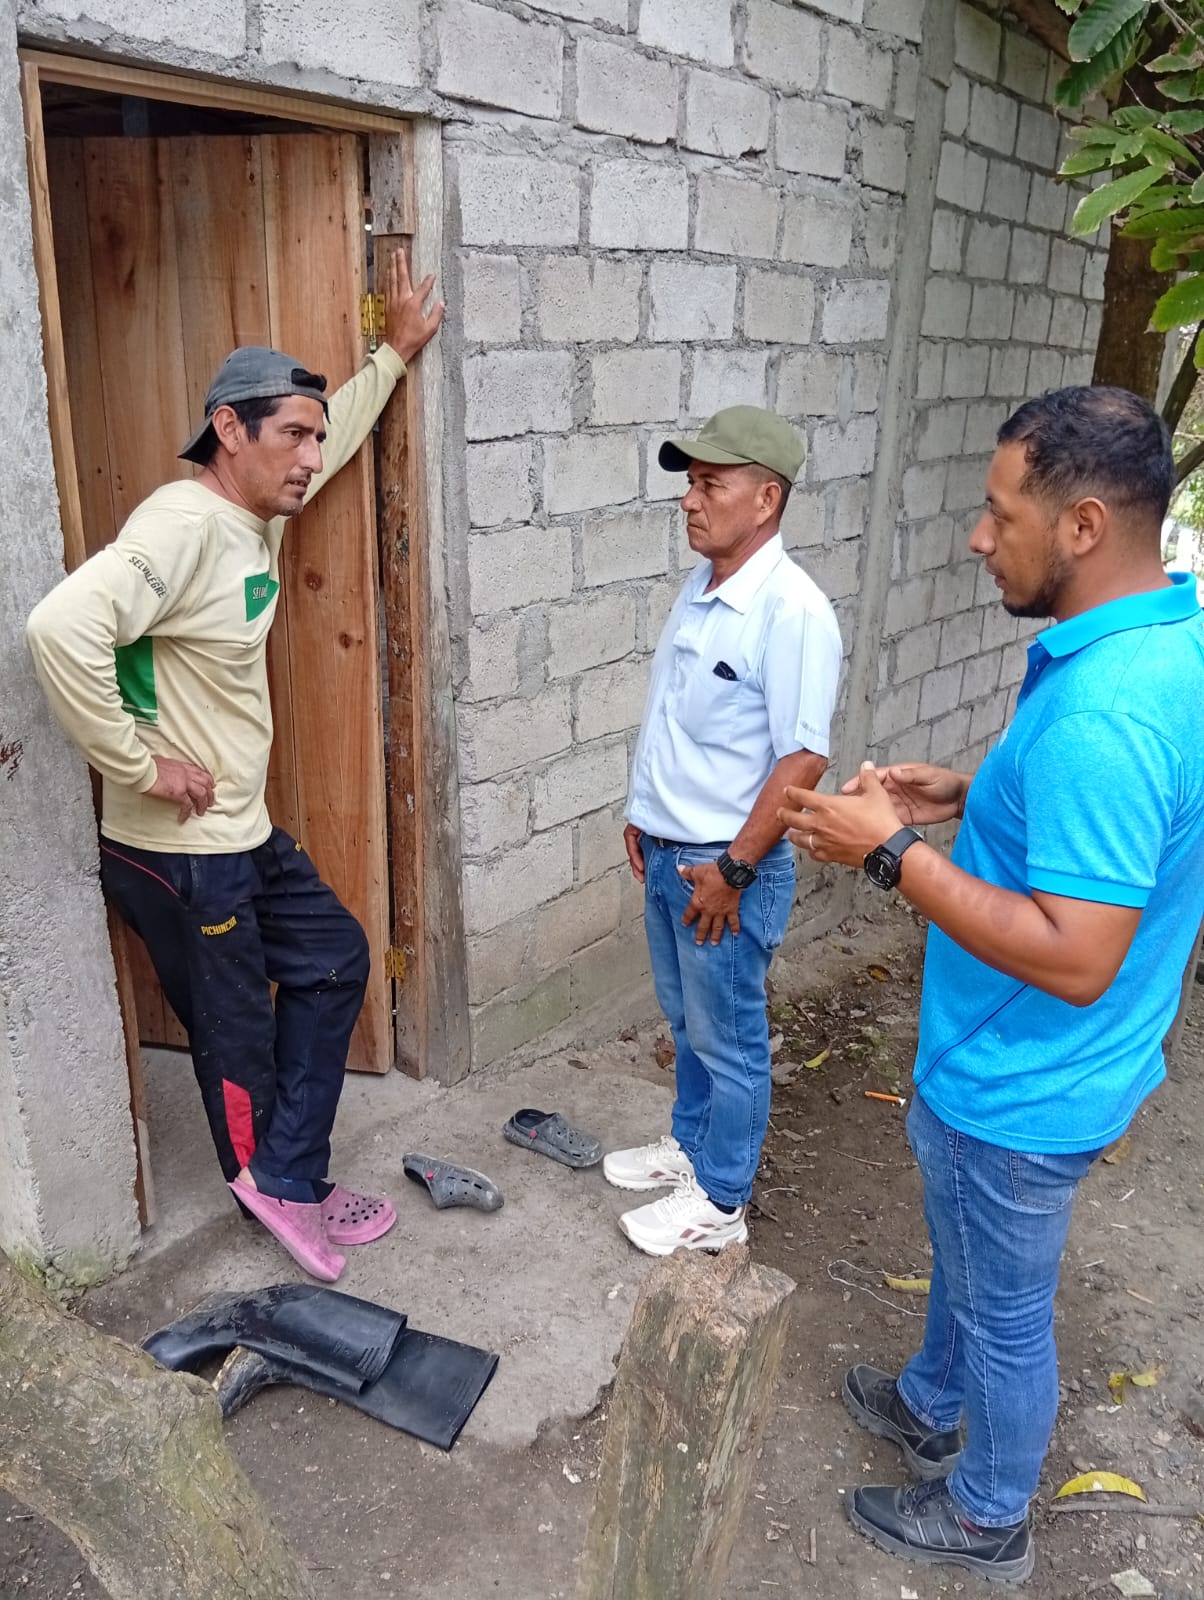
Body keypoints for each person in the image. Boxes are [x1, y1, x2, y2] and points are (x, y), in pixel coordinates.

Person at [780, 386, 1204, 1584]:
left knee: (1004, 1306)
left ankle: (985, 1511)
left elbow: (1076, 953)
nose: (978, 536)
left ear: (1081, 525)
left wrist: (888, 852)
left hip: (1022, 1082)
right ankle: (931, 1397)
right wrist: (975, 796)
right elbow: (1127, 833)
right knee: (963, 1250)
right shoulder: (1161, 643)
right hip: (1049, 1066)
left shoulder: (1104, 713)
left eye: (998, 512)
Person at [26, 250, 444, 1285]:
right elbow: (59, 627)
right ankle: (276, 1184)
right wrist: (139, 763)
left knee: (333, 958)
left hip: (236, 834)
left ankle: (289, 1172)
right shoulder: (184, 526)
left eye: (315, 434)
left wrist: (390, 358)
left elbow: (329, 443)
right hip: (178, 848)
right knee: (236, 1034)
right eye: (292, 434)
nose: (311, 455)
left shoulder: (250, 515)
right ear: (229, 428)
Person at [603, 406, 842, 1256]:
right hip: (674, 855)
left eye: (710, 484)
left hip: (726, 870)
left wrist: (734, 871)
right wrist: (644, 814)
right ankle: (691, 1148)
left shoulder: (792, 611)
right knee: (686, 1022)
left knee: (730, 1037)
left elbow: (803, 759)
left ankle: (721, 1198)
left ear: (766, 499)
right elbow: (676, 721)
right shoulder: (703, 591)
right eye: (690, 484)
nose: (690, 500)